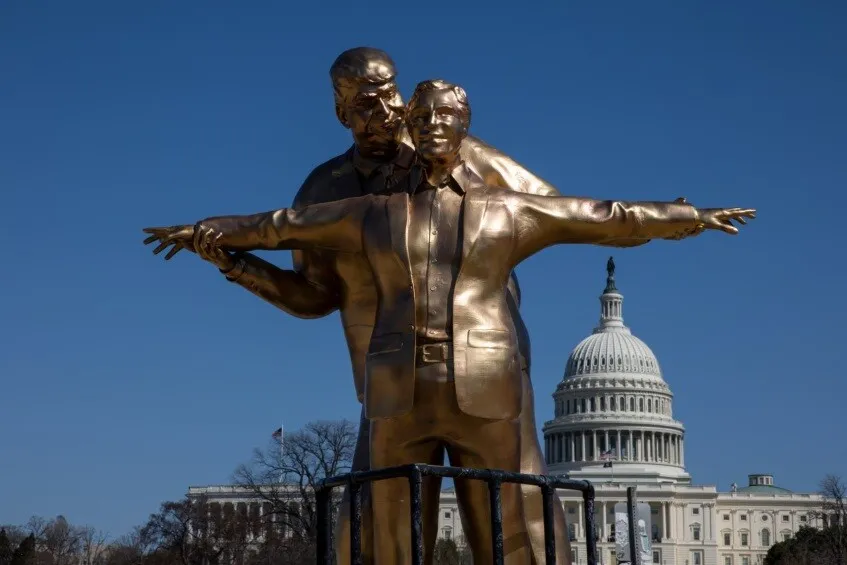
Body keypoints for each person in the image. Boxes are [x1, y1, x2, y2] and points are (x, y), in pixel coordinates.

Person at [144, 78, 755, 565]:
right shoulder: (370, 211)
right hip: (396, 387)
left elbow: (606, 216)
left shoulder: (509, 209)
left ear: (466, 129)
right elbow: (280, 226)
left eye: (448, 117)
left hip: (487, 381)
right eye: (425, 117)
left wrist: (689, 215)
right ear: (410, 127)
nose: (435, 126)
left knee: (512, 528)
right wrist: (208, 236)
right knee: (385, 529)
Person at [147, 47, 573, 565]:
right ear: (341, 113)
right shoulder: (325, 190)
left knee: (514, 518)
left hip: (480, 362)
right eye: (368, 105)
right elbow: (313, 298)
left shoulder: (452, 151)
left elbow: (549, 211)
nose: (388, 114)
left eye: (392, 95)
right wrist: (238, 267)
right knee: (370, 534)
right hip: (388, 378)